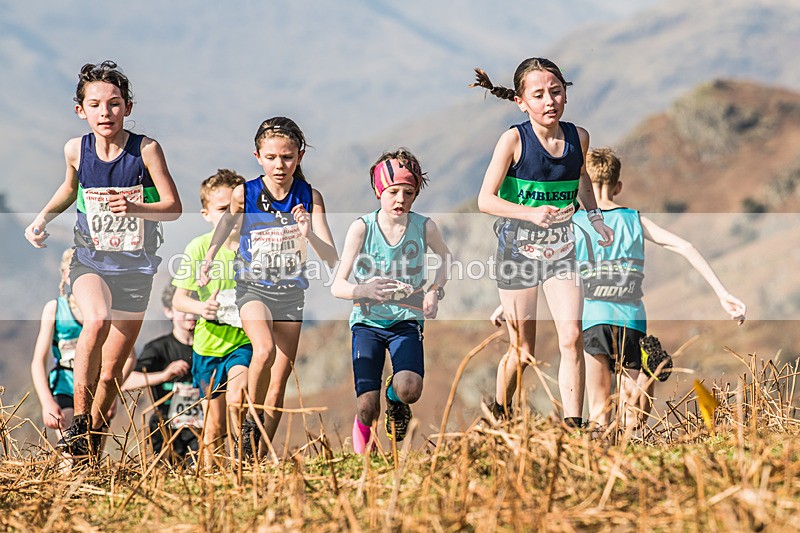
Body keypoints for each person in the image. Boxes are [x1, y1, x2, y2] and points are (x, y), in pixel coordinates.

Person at [24, 61, 182, 459]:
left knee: (111, 371)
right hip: (90, 261)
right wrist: (41, 219)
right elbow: (68, 187)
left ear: (127, 107)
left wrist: (135, 208)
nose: (105, 112)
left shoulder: (146, 149)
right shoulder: (75, 149)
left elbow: (173, 206)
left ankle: (90, 441)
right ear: (81, 110)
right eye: (95, 105)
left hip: (135, 270)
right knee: (95, 319)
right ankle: (78, 420)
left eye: (113, 104)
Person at [471, 58, 614, 428]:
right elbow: (485, 200)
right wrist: (528, 213)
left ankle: (573, 426)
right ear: (521, 102)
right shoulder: (514, 140)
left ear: (566, 92)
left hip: (561, 251)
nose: (549, 101)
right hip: (516, 252)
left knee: (571, 337)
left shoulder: (579, 137)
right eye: (539, 95)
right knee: (523, 352)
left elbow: (581, 178)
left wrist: (595, 216)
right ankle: (499, 417)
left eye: (556, 91)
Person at [571, 147, 746, 428]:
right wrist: (723, 294)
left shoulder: (578, 222)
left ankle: (604, 465)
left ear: (584, 186)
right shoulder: (635, 220)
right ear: (618, 186)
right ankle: (647, 379)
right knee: (632, 415)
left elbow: (548, 263)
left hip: (594, 317)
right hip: (632, 318)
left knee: (599, 410)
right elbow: (685, 246)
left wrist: (506, 307)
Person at [199, 119, 338, 461]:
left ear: (300, 157)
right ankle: (249, 422)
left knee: (278, 385)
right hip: (252, 288)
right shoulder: (244, 192)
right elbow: (226, 227)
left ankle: (254, 456)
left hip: (290, 294)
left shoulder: (310, 197)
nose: (280, 165)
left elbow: (332, 256)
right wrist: (210, 257)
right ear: (258, 156)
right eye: (272, 157)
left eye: (288, 157)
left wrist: (308, 233)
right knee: (263, 351)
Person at [331, 148, 451, 452]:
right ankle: (366, 462)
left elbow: (446, 258)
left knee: (409, 388)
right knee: (367, 409)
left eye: (408, 193)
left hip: (407, 322)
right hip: (367, 324)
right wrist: (364, 291)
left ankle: (395, 400)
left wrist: (435, 291)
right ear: (378, 191)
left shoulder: (424, 227)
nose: (400, 199)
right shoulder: (362, 228)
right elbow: (338, 286)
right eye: (393, 191)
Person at [172, 169, 254, 466]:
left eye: (239, 209)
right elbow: (180, 299)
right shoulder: (198, 248)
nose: (232, 216)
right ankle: (212, 481)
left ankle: (246, 466)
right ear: (206, 213)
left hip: (244, 341)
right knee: (214, 425)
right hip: (207, 346)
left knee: (238, 399)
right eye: (223, 210)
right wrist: (201, 309)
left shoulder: (255, 247)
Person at [122, 284, 199, 463]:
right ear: (169, 311)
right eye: (183, 310)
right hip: (165, 429)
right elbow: (126, 382)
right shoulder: (157, 348)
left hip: (201, 429)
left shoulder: (210, 349)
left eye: (194, 308)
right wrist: (163, 375)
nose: (190, 315)